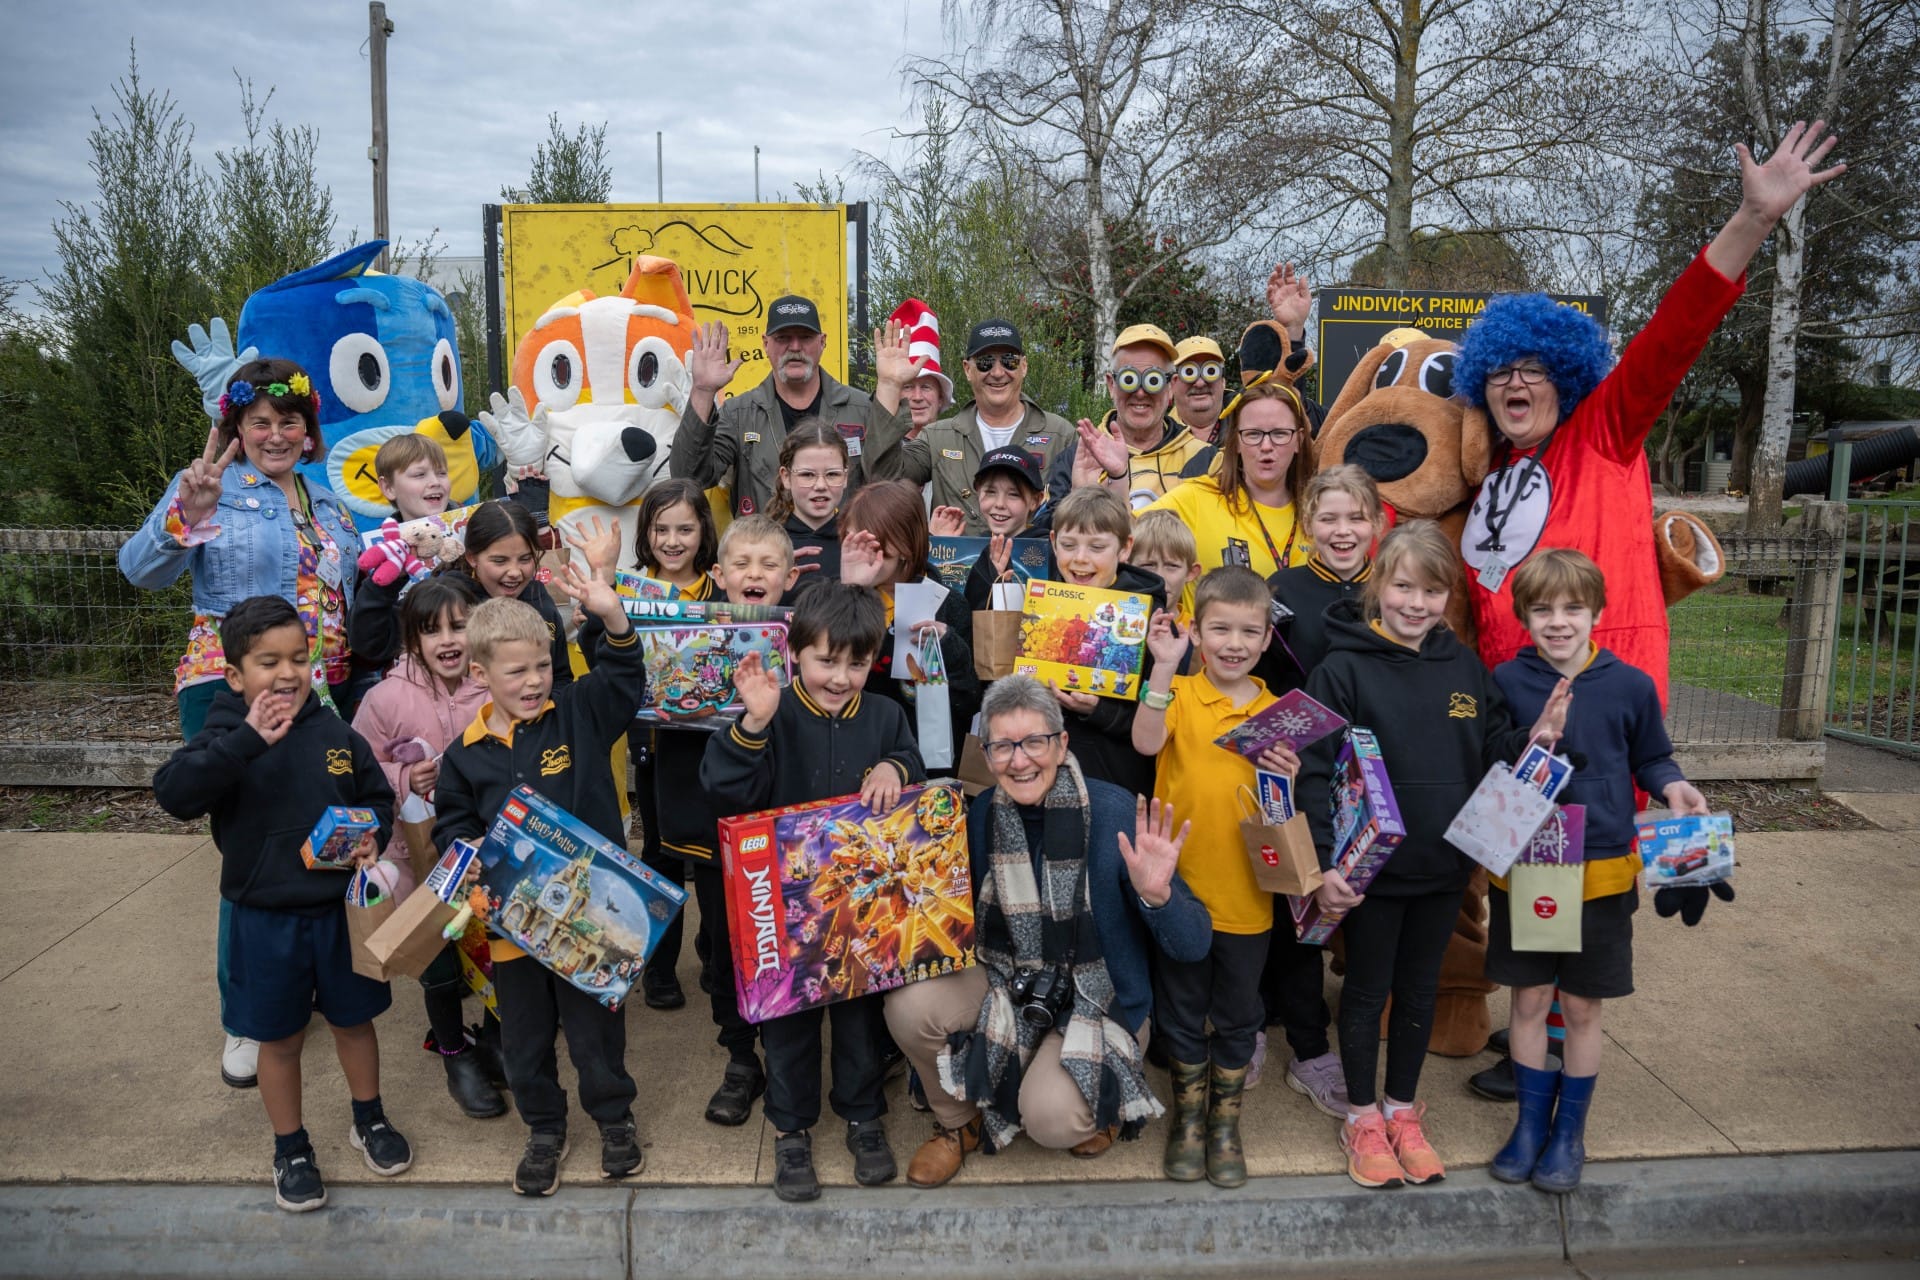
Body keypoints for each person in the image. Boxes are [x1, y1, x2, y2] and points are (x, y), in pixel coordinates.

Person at [1456, 120, 1846, 706]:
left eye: (1533, 369)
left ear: (1563, 379)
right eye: (1499, 371)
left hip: (1599, 694)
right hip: (1502, 701)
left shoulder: (1601, 433)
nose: (1514, 382)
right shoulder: (1487, 468)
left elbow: (1671, 338)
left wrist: (1754, 220)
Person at [1298, 521, 1569, 1190]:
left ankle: (1401, 1110)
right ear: (1378, 587)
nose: (1416, 603)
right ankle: (1362, 1116)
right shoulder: (1342, 669)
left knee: (1418, 992)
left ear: (1448, 595)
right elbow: (1312, 770)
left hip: (1446, 868)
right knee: (1366, 993)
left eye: (1431, 591)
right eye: (1402, 587)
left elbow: (1493, 745)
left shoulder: (1463, 669)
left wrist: (1536, 739)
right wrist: (1326, 864)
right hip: (1370, 876)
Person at [119, 357, 361, 1092]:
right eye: (259, 422)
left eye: (289, 421)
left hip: (323, 692)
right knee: (256, 850)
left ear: (310, 431)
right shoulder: (209, 490)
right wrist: (184, 518)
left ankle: (306, 985)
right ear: (237, 428)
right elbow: (139, 570)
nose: (276, 434)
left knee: (320, 842)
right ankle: (250, 1018)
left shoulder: (328, 502)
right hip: (232, 689)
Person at [883, 675, 1212, 1187]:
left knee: (1050, 1119)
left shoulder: (1115, 813)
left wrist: (1158, 896)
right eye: (1003, 746)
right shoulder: (984, 813)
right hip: (1008, 984)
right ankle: (960, 1123)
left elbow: (1194, 945)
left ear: (1061, 744)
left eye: (1034, 741)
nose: (1020, 760)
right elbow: (954, 918)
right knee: (909, 1004)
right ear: (987, 753)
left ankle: (1090, 1100)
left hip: (1102, 1001)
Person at [152, 595, 405, 1213]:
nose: (287, 673)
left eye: (298, 657)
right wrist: (243, 743)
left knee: (354, 1021)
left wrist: (370, 828)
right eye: (268, 662)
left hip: (338, 914)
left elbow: (375, 798)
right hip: (264, 916)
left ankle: (368, 1117)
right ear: (236, 676)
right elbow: (175, 793)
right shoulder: (223, 737)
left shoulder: (334, 732)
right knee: (280, 1038)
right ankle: (290, 1146)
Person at [1487, 550, 1708, 1192]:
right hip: (1532, 863)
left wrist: (1674, 789)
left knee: (1583, 1006)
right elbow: (1492, 765)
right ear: (1525, 616)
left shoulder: (1630, 684)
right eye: (1543, 609)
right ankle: (1529, 1125)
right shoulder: (1504, 681)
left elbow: (1653, 758)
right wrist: (1535, 739)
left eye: (1572, 608)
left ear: (1597, 613)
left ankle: (1568, 1134)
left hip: (1604, 868)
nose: (1558, 622)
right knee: (1528, 998)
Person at [701, 583, 926, 1202]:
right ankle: (791, 1129)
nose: (841, 676)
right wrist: (752, 722)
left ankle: (862, 1115)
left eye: (856, 663)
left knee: (858, 1016)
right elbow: (723, 790)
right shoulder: (771, 708)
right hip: (780, 903)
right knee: (788, 1022)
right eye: (826, 659)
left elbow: (911, 757)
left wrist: (894, 768)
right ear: (795, 650)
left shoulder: (882, 714)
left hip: (857, 904)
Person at [432, 568, 650, 1197]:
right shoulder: (464, 754)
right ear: (479, 676)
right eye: (516, 672)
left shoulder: (579, 710)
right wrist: (463, 850)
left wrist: (612, 616)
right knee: (524, 1041)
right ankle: (545, 1130)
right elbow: (453, 822)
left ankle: (614, 1120)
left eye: (541, 667)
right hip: (511, 927)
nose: (533, 682)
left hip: (592, 920)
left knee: (595, 1035)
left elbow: (624, 680)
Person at [1132, 566, 1300, 1188]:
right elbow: (1147, 744)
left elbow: (1283, 811)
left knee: (1237, 1015)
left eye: (1248, 632)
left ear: (1265, 640)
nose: (1233, 642)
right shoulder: (1179, 697)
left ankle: (1225, 1123)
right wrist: (1162, 669)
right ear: (1197, 632)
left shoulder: (1277, 711)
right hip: (1181, 891)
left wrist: (1287, 772)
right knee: (1181, 1011)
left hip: (1249, 897)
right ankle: (1189, 1119)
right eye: (1220, 628)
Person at [1251, 465, 1386, 1119]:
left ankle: (1354, 1026)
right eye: (1329, 518)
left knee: (1356, 912)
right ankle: (1297, 1042)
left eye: (1355, 518)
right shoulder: (1281, 592)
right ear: (1308, 525)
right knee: (1292, 909)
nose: (1342, 530)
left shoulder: (1392, 592)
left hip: (1371, 779)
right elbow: (1259, 682)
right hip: (1294, 774)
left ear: (1376, 525)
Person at [349, 574, 506, 1121]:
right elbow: (356, 768)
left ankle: (494, 1038)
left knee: (494, 947)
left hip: (484, 848)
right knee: (437, 952)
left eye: (459, 626)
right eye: (430, 629)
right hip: (411, 851)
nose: (447, 641)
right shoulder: (385, 697)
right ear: (410, 638)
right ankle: (454, 1051)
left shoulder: (496, 686)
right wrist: (400, 779)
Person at [669, 293, 894, 518]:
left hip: (841, 551)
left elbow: (887, 483)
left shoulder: (861, 408)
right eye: (783, 338)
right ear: (766, 344)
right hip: (762, 551)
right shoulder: (739, 414)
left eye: (805, 337)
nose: (794, 347)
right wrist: (703, 390)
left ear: (823, 342)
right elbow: (689, 477)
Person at [866, 317, 1073, 529]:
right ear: (967, 369)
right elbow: (883, 479)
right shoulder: (938, 437)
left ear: (1024, 366)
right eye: (985, 363)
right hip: (958, 563)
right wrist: (890, 387)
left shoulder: (1061, 434)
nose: (998, 372)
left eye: (1009, 361)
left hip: (1034, 561)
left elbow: (1082, 514)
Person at [837, 480, 980, 769]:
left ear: (904, 544)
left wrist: (947, 647)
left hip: (922, 763)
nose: (861, 550)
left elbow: (968, 701)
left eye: (872, 541)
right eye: (852, 539)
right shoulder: (835, 595)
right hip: (847, 755)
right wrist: (852, 594)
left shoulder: (947, 604)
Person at [1138, 382, 1316, 608]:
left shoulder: (1321, 516)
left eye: (1280, 434)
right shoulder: (1195, 499)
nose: (1266, 445)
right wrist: (1117, 478)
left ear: (1299, 440)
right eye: (1253, 434)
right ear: (1237, 441)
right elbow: (1118, 540)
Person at [1041, 486, 1169, 797]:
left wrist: (1099, 709)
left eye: (1097, 547)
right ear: (1053, 542)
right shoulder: (1043, 604)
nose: (1080, 559)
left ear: (1125, 549)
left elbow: (1162, 725)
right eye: (1069, 545)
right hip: (1045, 777)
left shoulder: (1150, 618)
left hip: (1116, 781)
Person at [340, 433, 457, 715]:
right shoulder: (375, 554)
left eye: (442, 472)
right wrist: (385, 583)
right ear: (388, 487)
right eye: (419, 474)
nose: (434, 481)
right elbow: (368, 644)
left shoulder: (470, 535)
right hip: (405, 698)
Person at [1050, 324, 1209, 507]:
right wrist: (1078, 499)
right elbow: (1047, 530)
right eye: (1129, 380)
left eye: (1153, 380)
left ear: (1171, 386)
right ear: (1111, 385)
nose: (1140, 393)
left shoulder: (1203, 459)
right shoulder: (1079, 459)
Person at [940, 447, 1053, 610]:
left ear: (1036, 500)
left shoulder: (1049, 550)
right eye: (990, 492)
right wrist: (937, 544)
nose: (999, 504)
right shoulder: (972, 549)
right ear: (978, 492)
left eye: (1014, 494)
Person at [768, 419, 853, 593]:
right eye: (807, 475)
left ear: (845, 477)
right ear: (786, 477)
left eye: (832, 474)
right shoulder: (764, 542)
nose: (821, 485)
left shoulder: (857, 542)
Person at [885, 298, 955, 439]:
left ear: (940, 397)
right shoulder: (879, 451)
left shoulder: (959, 448)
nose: (917, 397)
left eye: (926, 387)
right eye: (908, 387)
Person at [1129, 512, 1202, 632]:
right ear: (1128, 566)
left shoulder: (1197, 633)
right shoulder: (1112, 622)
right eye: (1148, 565)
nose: (1160, 577)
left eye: (1172, 566)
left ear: (1191, 573)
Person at [1170, 336, 1228, 444]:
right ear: (1173, 383)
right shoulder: (1159, 437)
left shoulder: (1248, 428)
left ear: (1223, 381)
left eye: (1210, 371)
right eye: (1189, 372)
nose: (1200, 383)